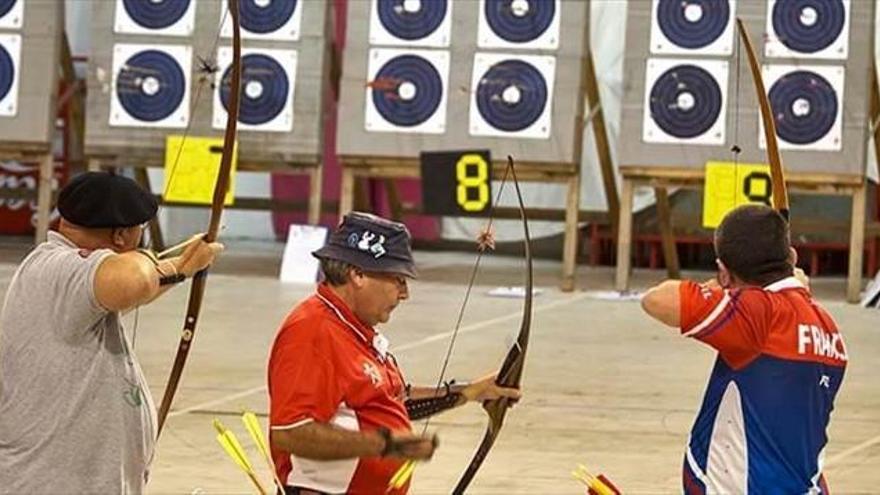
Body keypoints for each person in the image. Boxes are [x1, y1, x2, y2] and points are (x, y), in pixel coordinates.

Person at [0, 172, 223, 494]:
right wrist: (149, 258)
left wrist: (181, 269)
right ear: (120, 236)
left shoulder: (68, 276)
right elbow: (133, 279)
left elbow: (127, 290)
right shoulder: (60, 268)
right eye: (139, 233)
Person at [267, 212, 521, 494]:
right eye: (398, 279)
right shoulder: (311, 331)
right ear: (358, 274)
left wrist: (472, 391)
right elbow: (290, 433)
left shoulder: (354, 328)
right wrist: (383, 444)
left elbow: (391, 402)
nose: (404, 293)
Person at [641, 204, 847, 493]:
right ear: (792, 257)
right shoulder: (828, 327)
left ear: (724, 271)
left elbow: (656, 300)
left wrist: (719, 289)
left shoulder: (757, 313)